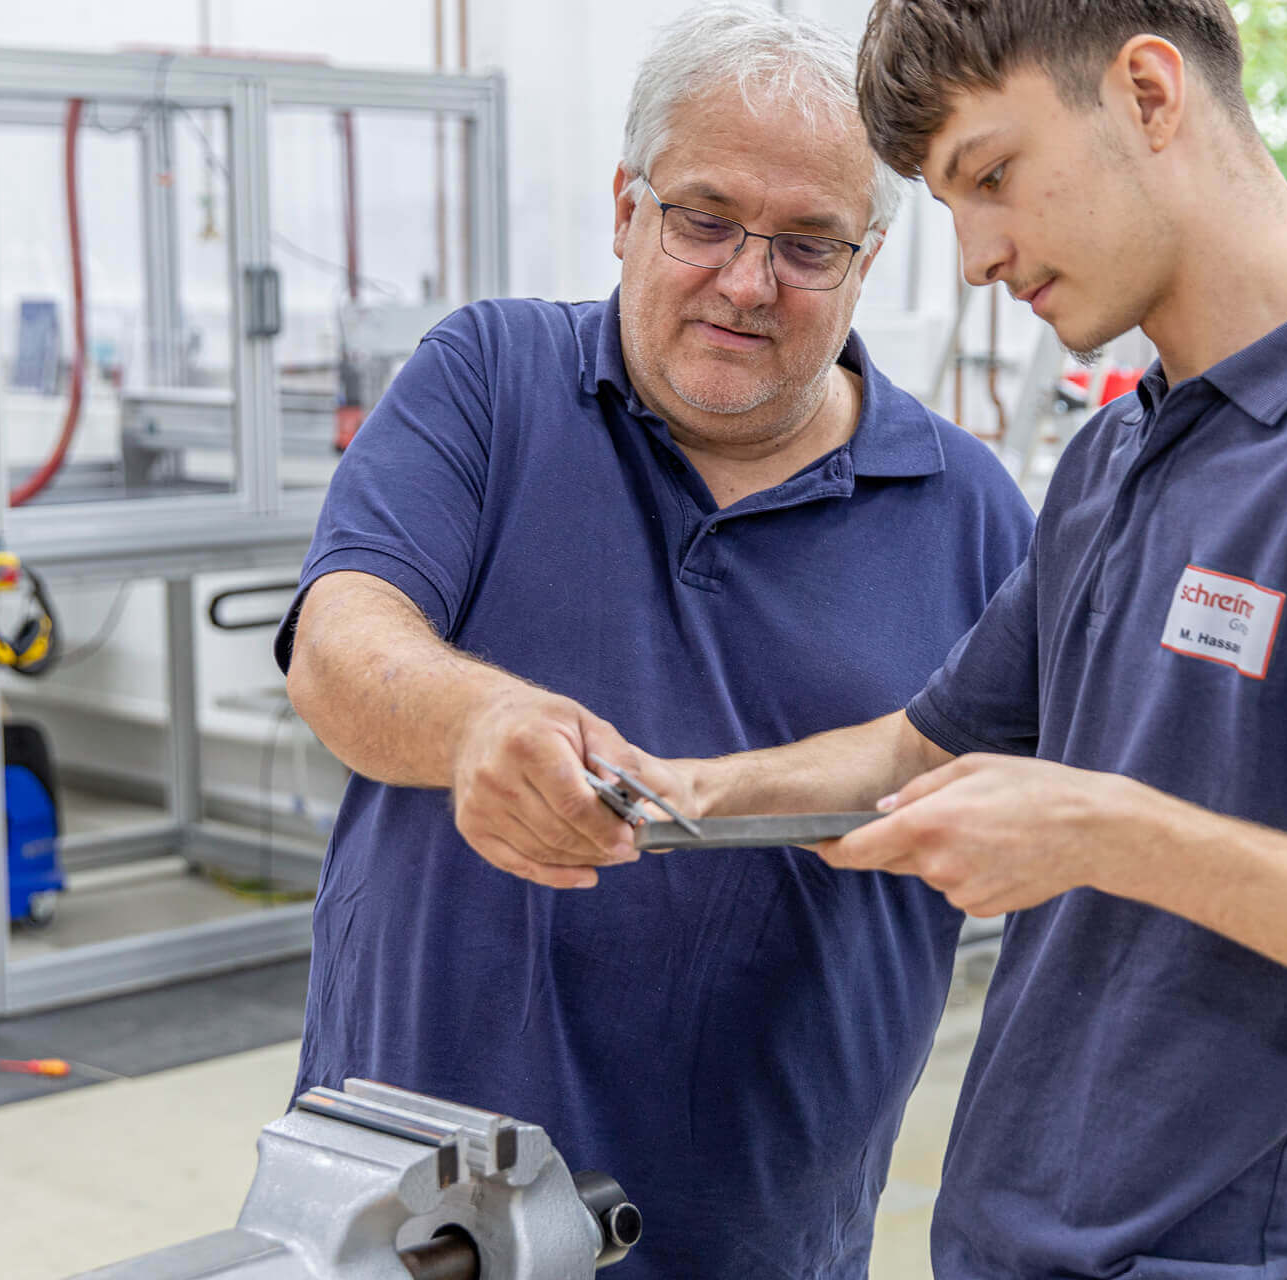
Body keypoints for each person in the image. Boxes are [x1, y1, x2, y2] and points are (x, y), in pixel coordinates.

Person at [525, 3, 1287, 1276]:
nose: (980, 254)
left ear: (1150, 95)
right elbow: (921, 752)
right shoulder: (1119, 451)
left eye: (993, 175)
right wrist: (676, 792)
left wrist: (1106, 832)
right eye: (949, 203)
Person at [274, 6, 1032, 1278]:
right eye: (704, 219)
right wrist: (481, 725)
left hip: (751, 1229)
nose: (746, 281)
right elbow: (341, 645)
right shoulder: (490, 379)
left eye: (807, 243)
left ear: (870, 256)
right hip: (407, 1201)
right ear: (627, 207)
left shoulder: (973, 514)